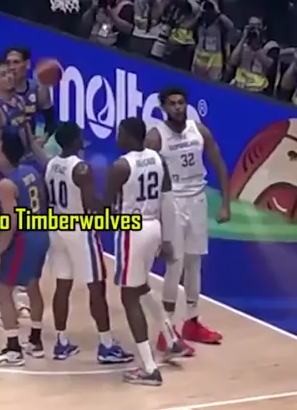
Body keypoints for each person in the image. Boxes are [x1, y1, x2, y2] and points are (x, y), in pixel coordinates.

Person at [145, 87, 230, 352]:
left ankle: (192, 322)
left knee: (194, 263)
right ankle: (167, 330)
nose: (178, 107)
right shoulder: (156, 136)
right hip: (171, 202)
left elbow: (218, 163)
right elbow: (147, 177)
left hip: (197, 200)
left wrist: (226, 203)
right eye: (172, 103)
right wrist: (154, 214)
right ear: (163, 107)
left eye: (181, 103)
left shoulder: (199, 131)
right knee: (175, 264)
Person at [104, 117, 186, 386]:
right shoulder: (157, 159)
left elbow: (106, 205)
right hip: (154, 227)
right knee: (140, 286)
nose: (117, 137)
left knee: (128, 296)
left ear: (129, 136)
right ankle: (171, 339)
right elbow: (166, 199)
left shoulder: (120, 166)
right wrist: (168, 237)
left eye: (120, 133)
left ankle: (149, 368)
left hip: (132, 230)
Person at [45, 121, 134, 364]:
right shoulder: (82, 169)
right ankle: (106, 345)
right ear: (74, 141)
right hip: (80, 230)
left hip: (57, 226)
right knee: (96, 287)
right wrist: (110, 206)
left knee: (62, 285)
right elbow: (90, 205)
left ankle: (61, 342)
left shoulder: (51, 163)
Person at [0, 132, 49, 367]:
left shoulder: (6, 184)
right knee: (33, 286)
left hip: (23, 239)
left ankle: (13, 349)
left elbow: (10, 223)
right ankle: (35, 341)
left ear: (4, 155)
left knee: (3, 290)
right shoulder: (32, 172)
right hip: (41, 232)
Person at [0, 57, 33, 316]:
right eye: (3, 74)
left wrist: (46, 165)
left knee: (23, 229)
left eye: (10, 73)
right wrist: (14, 176)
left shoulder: (19, 103)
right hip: (2, 176)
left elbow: (29, 141)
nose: (10, 77)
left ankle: (19, 288)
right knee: (1, 225)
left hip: (22, 170)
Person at [5, 47, 57, 145]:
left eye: (16, 62)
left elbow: (51, 120)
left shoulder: (38, 89)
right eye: (8, 63)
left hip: (28, 148)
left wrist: (44, 138)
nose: (11, 67)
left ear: (27, 64)